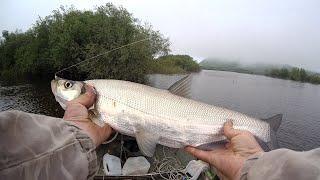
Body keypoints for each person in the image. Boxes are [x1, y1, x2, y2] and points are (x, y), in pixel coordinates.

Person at [0, 85, 319, 180]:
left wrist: (74, 136)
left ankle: (266, 128)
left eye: (69, 86)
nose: (60, 87)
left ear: (86, 94)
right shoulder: (99, 103)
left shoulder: (98, 95)